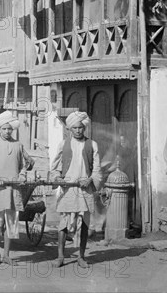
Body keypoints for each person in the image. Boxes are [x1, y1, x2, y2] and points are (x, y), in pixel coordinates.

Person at [50, 111, 101, 269]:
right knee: (64, 224)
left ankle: (81, 256)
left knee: (84, 224)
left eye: (81, 127)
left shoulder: (92, 144)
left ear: (84, 127)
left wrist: (90, 179)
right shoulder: (63, 144)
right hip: (68, 188)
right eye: (75, 128)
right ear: (70, 129)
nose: (78, 130)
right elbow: (55, 167)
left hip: (84, 189)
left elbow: (97, 168)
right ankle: (60, 257)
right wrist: (58, 178)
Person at [0, 111, 30, 266]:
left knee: (11, 223)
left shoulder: (19, 145)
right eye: (4, 129)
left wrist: (22, 175)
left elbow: (24, 165)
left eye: (10, 129)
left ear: (13, 129)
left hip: (14, 189)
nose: (7, 131)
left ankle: (7, 255)